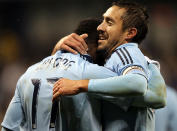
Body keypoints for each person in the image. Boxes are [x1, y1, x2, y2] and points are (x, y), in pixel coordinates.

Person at [52, 0, 166, 131]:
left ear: (130, 33)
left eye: (109, 22)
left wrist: (80, 85)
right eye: (103, 20)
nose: (100, 27)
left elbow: (140, 85)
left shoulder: (125, 51)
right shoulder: (116, 60)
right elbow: (157, 98)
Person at [1, 19, 119, 131]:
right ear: (97, 45)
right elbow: (135, 86)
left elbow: (8, 127)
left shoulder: (28, 73)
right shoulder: (92, 71)